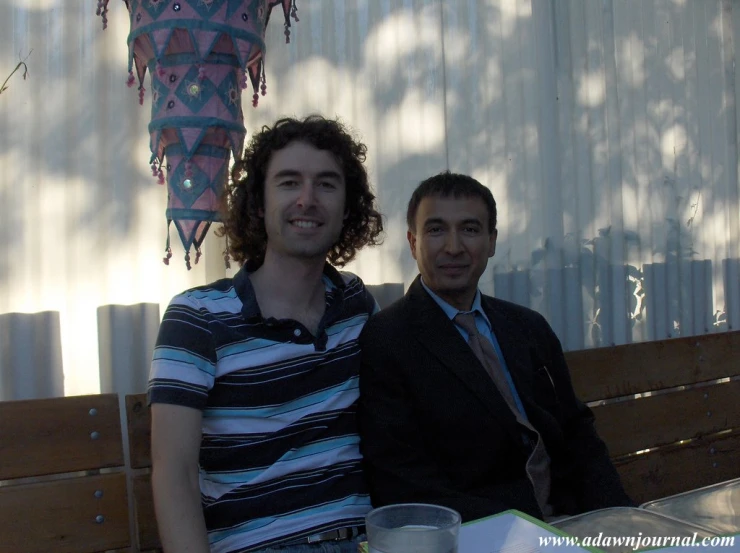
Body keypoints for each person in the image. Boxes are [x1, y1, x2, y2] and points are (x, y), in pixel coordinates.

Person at [148, 115, 384, 553]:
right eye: (289, 183)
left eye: (327, 184)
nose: (308, 200)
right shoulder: (197, 318)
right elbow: (173, 470)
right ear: (258, 203)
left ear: (348, 206)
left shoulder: (355, 304)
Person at [358, 171, 632, 523]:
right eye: (436, 230)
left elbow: (579, 435)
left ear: (492, 242)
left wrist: (623, 522)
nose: (453, 247)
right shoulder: (387, 340)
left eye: (470, 230)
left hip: (575, 525)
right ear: (413, 243)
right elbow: (406, 483)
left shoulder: (528, 327)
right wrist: (531, 535)